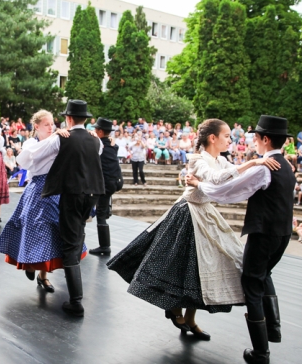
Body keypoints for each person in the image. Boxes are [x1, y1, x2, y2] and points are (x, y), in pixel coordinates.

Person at [108, 118, 279, 341]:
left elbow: (234, 176)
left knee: (200, 272)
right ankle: (177, 311)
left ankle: (189, 318)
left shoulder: (221, 160)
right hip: (187, 214)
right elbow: (216, 179)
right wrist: (254, 163)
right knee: (184, 268)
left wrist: (260, 165)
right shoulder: (198, 160)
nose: (230, 139)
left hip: (205, 213)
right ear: (213, 138)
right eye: (227, 136)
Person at [188, 115, 296, 364]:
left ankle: (260, 352)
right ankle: (273, 329)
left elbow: (229, 192)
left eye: (256, 138)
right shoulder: (287, 165)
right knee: (263, 275)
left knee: (252, 284)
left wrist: (198, 184)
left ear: (265, 139)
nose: (253, 142)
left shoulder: (264, 168)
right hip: (283, 234)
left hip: (264, 234)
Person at [0, 110, 89, 293]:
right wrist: (53, 137)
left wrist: (90, 134)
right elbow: (25, 161)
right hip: (38, 189)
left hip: (57, 190)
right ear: (36, 126)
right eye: (46, 124)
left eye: (52, 124)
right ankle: (31, 264)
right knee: (34, 228)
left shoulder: (59, 138)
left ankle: (43, 276)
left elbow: (78, 145)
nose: (51, 127)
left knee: (53, 231)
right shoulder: (32, 143)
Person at [40, 100, 104, 316]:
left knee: (69, 245)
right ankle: (76, 252)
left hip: (73, 194)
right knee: (77, 234)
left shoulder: (61, 138)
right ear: (85, 119)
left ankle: (76, 301)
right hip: (92, 195)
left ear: (68, 118)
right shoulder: (96, 141)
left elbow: (36, 154)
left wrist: (56, 133)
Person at [89, 117, 123, 256]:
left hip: (106, 184)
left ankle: (105, 246)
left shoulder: (99, 144)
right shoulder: (112, 144)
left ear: (101, 132)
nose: (94, 131)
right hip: (115, 181)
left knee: (100, 214)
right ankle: (104, 245)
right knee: (101, 209)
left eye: (96, 129)